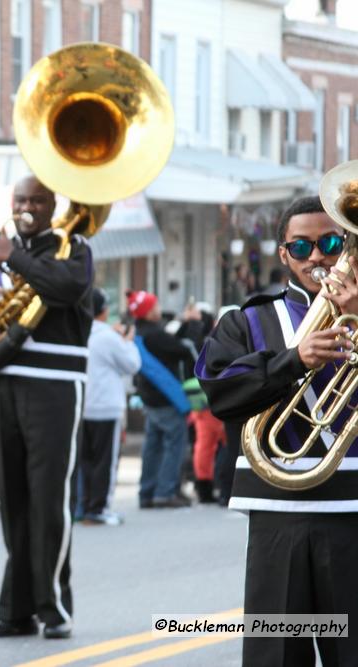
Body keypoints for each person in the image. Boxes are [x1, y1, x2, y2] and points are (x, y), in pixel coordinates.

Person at [196, 194, 358, 665]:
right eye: (301, 247)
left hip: (355, 506)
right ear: (283, 254)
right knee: (277, 654)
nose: (318, 258)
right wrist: (294, 359)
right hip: (276, 511)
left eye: (330, 242)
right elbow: (219, 391)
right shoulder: (247, 320)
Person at [0, 175, 93, 640]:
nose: (28, 207)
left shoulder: (73, 248)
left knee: (49, 499)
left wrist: (16, 259)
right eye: (21, 199)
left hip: (55, 384)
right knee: (10, 498)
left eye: (38, 200)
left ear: (53, 205)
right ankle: (16, 610)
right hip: (3, 379)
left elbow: (67, 290)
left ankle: (54, 609)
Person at [128, 289, 198, 509]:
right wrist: (194, 324)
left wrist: (182, 323)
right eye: (155, 306)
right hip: (165, 398)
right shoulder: (155, 334)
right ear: (148, 312)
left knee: (152, 447)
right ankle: (165, 492)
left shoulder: (138, 332)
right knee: (175, 445)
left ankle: (147, 492)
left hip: (149, 397)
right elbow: (182, 349)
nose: (159, 309)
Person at [78, 288, 141, 525]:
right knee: (105, 461)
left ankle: (84, 507)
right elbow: (133, 364)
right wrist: (127, 342)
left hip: (82, 406)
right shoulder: (108, 336)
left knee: (85, 460)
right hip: (106, 406)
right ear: (103, 311)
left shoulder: (78, 331)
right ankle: (99, 508)